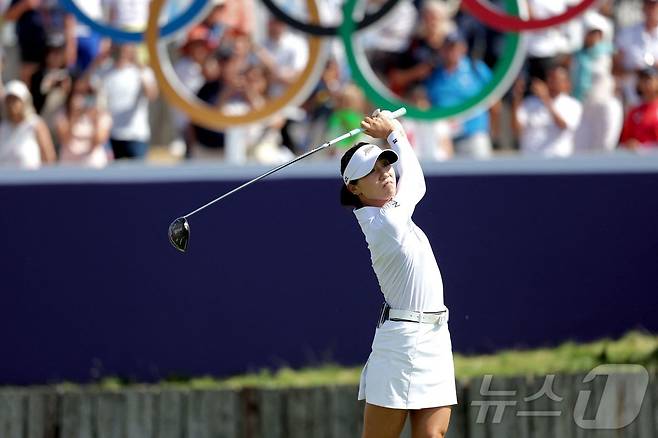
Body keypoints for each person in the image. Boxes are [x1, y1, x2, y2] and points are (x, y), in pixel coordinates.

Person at [340, 110, 456, 438]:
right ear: (354, 188)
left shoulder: (396, 216)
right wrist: (394, 130)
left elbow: (408, 178)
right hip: (403, 342)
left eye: (386, 165)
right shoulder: (384, 223)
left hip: (436, 335)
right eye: (372, 172)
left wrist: (393, 134)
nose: (386, 174)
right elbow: (416, 183)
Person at [425, 30, 493, 158]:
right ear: (442, 50)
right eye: (448, 47)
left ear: (463, 48)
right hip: (446, 138)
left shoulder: (476, 68)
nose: (452, 51)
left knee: (481, 175)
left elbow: (494, 100)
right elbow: (429, 103)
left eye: (455, 47)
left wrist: (493, 132)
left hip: (473, 134)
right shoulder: (435, 74)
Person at [96, 43, 158, 159]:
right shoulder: (104, 71)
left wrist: (139, 65)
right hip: (110, 135)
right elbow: (82, 86)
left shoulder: (143, 71)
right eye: (119, 44)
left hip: (136, 135)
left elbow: (152, 95)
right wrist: (96, 61)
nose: (122, 49)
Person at [512, 66, 583, 157]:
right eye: (549, 79)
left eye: (556, 80)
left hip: (558, 160)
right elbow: (516, 130)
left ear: (566, 83)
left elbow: (563, 126)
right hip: (531, 160)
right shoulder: (530, 102)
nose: (551, 83)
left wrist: (546, 100)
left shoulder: (573, 105)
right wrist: (517, 97)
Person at [54, 74, 112, 167]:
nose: (83, 97)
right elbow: (64, 140)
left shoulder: (101, 115)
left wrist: (95, 120)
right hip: (68, 167)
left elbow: (97, 141)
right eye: (78, 92)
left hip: (94, 166)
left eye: (88, 93)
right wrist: (74, 116)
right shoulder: (62, 114)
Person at [0, 80, 56, 169]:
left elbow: (49, 157)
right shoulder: (2, 126)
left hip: (31, 180)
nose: (12, 104)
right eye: (9, 100)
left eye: (15, 99)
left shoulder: (36, 124)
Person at [620, 67, 658, 149]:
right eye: (643, 79)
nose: (646, 83)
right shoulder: (634, 112)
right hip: (639, 159)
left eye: (649, 79)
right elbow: (626, 140)